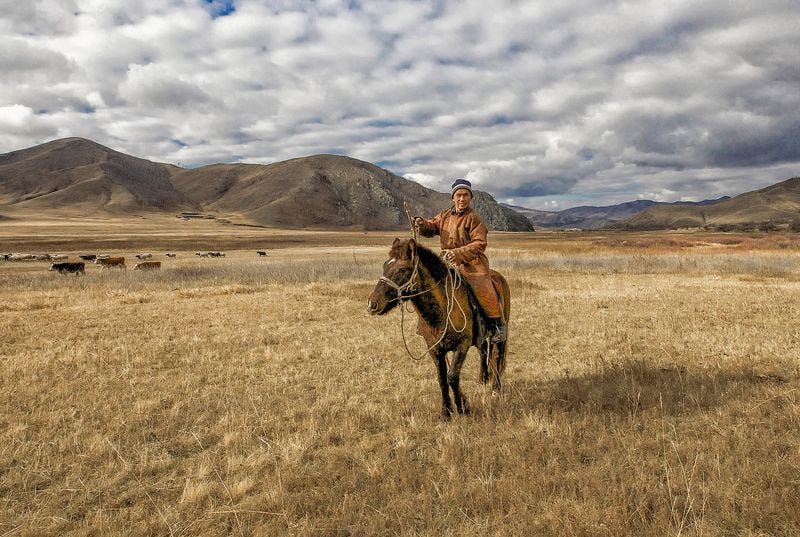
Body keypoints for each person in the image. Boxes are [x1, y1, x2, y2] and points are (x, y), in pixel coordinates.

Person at [413, 178, 507, 342]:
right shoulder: (444, 215)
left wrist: (456, 254)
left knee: (482, 286)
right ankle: (426, 323)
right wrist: (421, 224)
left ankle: (498, 325)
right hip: (446, 262)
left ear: (470, 197)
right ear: (453, 197)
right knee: (428, 285)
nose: (462, 199)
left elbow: (480, 243)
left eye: (465, 195)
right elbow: (431, 227)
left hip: (472, 263)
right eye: (458, 195)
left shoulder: (474, 218)